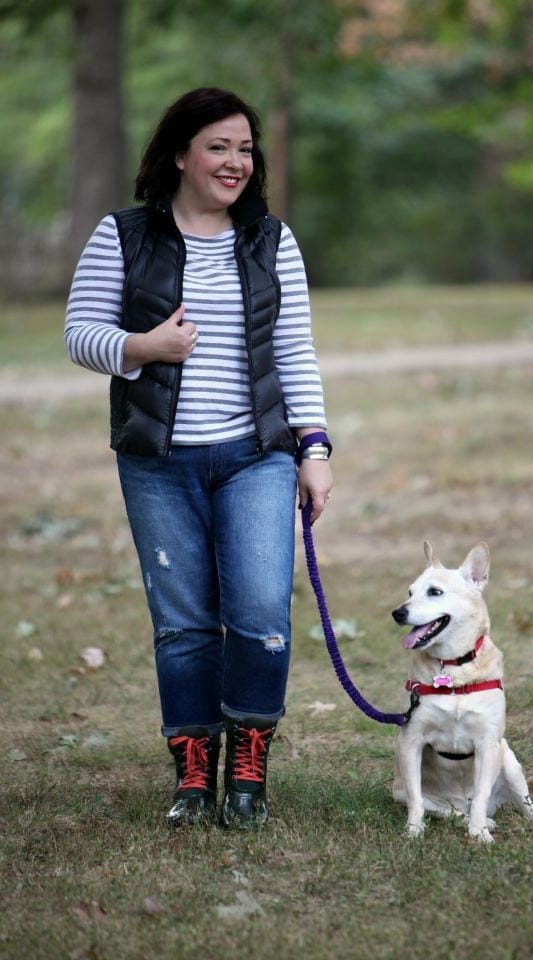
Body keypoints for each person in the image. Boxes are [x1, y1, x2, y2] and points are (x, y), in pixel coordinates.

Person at [65, 86, 333, 830]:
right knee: (183, 625)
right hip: (158, 461)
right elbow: (80, 333)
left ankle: (248, 761)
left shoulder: (270, 241)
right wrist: (143, 348)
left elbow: (295, 353)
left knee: (259, 613)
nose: (235, 162)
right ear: (180, 153)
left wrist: (314, 447)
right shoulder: (122, 235)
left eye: (245, 148)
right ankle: (192, 771)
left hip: (256, 456)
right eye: (218, 146)